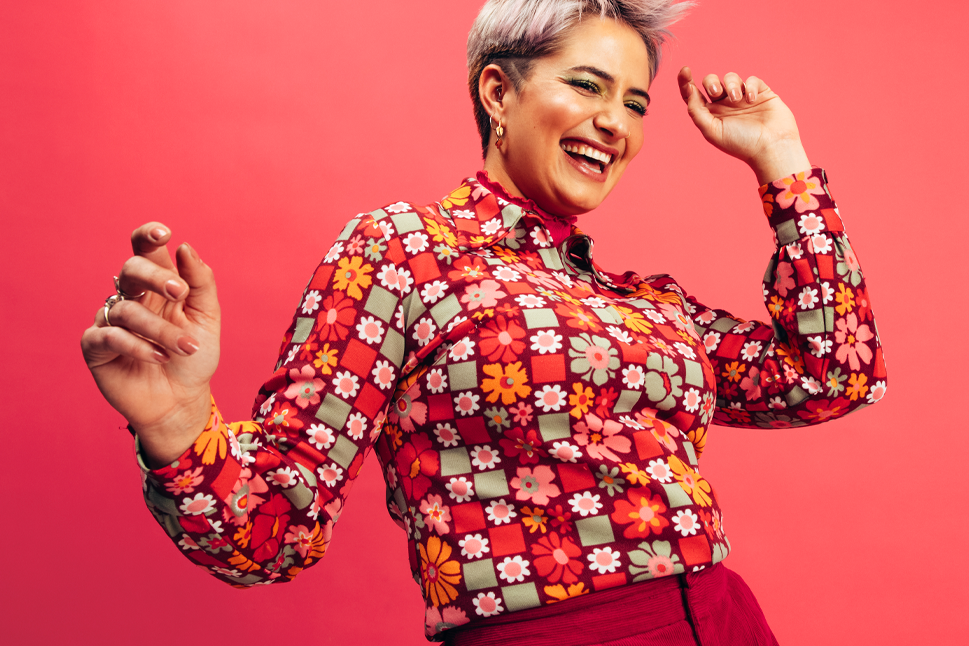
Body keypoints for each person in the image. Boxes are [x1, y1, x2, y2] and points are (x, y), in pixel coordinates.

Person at [81, 0, 887, 644]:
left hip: (728, 621)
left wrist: (780, 160)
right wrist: (177, 423)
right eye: (587, 86)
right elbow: (266, 535)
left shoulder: (647, 305)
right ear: (498, 92)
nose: (615, 121)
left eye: (635, 102)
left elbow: (831, 375)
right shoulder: (403, 252)